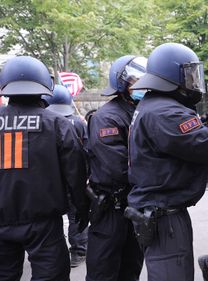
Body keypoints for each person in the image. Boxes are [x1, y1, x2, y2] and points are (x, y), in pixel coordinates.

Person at [127, 43, 208, 281]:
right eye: (189, 73)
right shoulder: (166, 112)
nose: (193, 80)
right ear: (172, 76)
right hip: (165, 216)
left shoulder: (152, 104)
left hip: (159, 211)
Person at [0, 56, 89, 280]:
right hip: (43, 225)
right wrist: (82, 208)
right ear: (43, 85)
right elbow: (76, 173)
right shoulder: (57, 124)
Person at [86, 55, 147, 281]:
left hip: (135, 207)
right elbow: (117, 167)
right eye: (136, 83)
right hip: (111, 209)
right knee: (103, 272)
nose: (142, 88)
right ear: (122, 85)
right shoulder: (107, 117)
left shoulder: (142, 112)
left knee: (131, 270)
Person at [43, 84, 89, 267]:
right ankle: (78, 251)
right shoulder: (77, 122)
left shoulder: (45, 121)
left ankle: (61, 251)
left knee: (51, 218)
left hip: (50, 180)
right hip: (73, 177)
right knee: (76, 214)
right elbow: (86, 149)